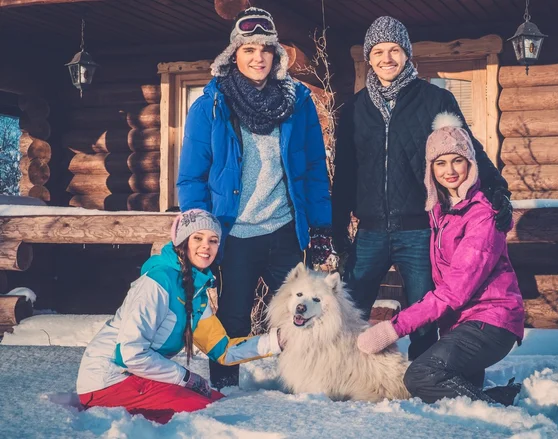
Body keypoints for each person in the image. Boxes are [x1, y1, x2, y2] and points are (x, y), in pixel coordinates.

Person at [332, 16, 513, 360]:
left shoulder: (434, 99)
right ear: (369, 58)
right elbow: (344, 172)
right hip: (369, 231)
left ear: (407, 55)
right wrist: (339, 230)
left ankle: (423, 379)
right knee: (347, 310)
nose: (387, 58)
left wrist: (497, 188)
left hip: (419, 228)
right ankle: (343, 373)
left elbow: (468, 146)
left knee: (425, 316)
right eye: (379, 51)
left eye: (395, 50)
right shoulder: (355, 108)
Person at [177, 7, 332, 389]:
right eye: (248, 49)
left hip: (283, 229)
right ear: (234, 55)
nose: (257, 57)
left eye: (265, 49)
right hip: (235, 233)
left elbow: (313, 168)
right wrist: (198, 231)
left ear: (276, 55)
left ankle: (303, 385)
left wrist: (322, 225)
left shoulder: (297, 103)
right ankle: (225, 389)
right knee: (233, 318)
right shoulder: (210, 106)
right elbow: (192, 177)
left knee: (299, 314)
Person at [356, 113, 525, 406]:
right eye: (440, 163)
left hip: (490, 322)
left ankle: (496, 407)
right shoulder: (441, 212)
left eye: (457, 160)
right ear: (430, 169)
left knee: (420, 375)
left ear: (470, 163)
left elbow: (453, 291)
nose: (450, 170)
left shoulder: (482, 216)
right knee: (451, 393)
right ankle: (497, 401)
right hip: (463, 326)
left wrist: (393, 328)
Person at [76, 209, 283, 424]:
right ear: (182, 242)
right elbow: (130, 354)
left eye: (213, 240)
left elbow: (224, 350)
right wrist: (185, 377)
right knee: (204, 411)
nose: (206, 246)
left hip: (139, 376)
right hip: (108, 379)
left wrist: (277, 340)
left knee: (219, 401)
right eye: (198, 238)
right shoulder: (157, 282)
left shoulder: (196, 291)